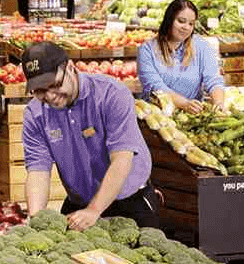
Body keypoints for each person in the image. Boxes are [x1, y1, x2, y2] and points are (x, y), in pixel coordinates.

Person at [20, 41, 159, 231]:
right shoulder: (35, 114)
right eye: (40, 91)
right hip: (79, 204)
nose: (50, 96)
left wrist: (94, 210)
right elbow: (38, 170)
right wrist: (35, 218)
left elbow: (121, 160)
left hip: (130, 202)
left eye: (54, 85)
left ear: (70, 67)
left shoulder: (112, 94)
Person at [137, 0, 226, 112]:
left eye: (191, 24)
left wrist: (218, 103)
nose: (186, 27)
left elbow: (213, 79)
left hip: (192, 115)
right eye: (181, 21)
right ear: (169, 20)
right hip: (158, 117)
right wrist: (184, 104)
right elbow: (155, 87)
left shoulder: (201, 46)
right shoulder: (147, 50)